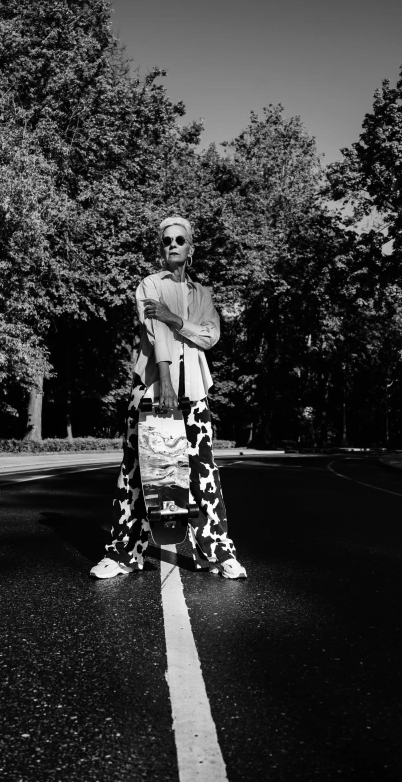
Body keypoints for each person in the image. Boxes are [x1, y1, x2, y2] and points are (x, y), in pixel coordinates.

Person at [90, 216, 247, 580]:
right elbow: (156, 330)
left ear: (190, 248)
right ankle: (124, 554)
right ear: (161, 248)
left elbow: (210, 337)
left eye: (180, 239)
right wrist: (166, 384)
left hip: (194, 394)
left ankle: (217, 553)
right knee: (137, 473)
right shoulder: (148, 285)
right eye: (166, 241)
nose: (173, 244)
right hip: (151, 393)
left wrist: (176, 319)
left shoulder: (202, 294)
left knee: (202, 473)